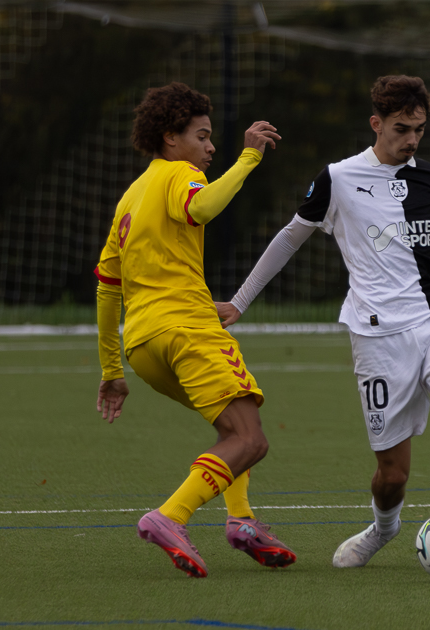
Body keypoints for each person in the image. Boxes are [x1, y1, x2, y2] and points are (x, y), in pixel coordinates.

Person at [216, 75, 430, 574]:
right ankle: (383, 529)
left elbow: (423, 252)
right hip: (377, 337)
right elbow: (289, 238)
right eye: (401, 128)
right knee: (392, 475)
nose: (411, 139)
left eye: (419, 129)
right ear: (376, 123)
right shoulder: (338, 179)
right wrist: (239, 302)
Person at [94, 82, 296, 578]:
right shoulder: (179, 176)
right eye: (202, 137)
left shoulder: (129, 198)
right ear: (170, 138)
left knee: (233, 426)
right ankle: (170, 516)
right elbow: (202, 207)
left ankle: (242, 522)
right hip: (187, 329)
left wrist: (111, 370)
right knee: (251, 439)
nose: (210, 148)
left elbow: (106, 288)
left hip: (143, 346)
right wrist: (248, 158)